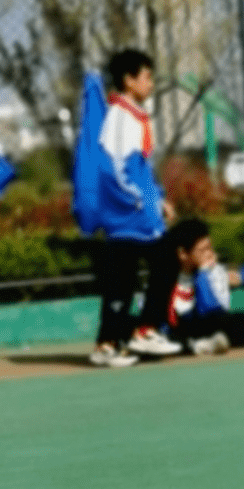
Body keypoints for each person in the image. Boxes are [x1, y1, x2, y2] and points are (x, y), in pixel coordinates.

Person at [82, 49, 182, 367]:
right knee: (160, 262)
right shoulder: (120, 118)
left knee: (125, 279)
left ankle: (112, 341)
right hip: (127, 216)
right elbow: (114, 168)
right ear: (129, 81)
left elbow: (139, 168)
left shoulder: (133, 115)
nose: (151, 83)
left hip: (137, 213)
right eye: (147, 77)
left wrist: (158, 198)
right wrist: (139, 201)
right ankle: (138, 332)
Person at [167, 216, 234, 355]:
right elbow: (174, 318)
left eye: (210, 248)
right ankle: (197, 346)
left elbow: (213, 309)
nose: (210, 254)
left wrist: (203, 274)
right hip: (180, 332)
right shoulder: (167, 278)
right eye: (202, 250)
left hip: (209, 324)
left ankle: (204, 344)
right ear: (183, 254)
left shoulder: (214, 270)